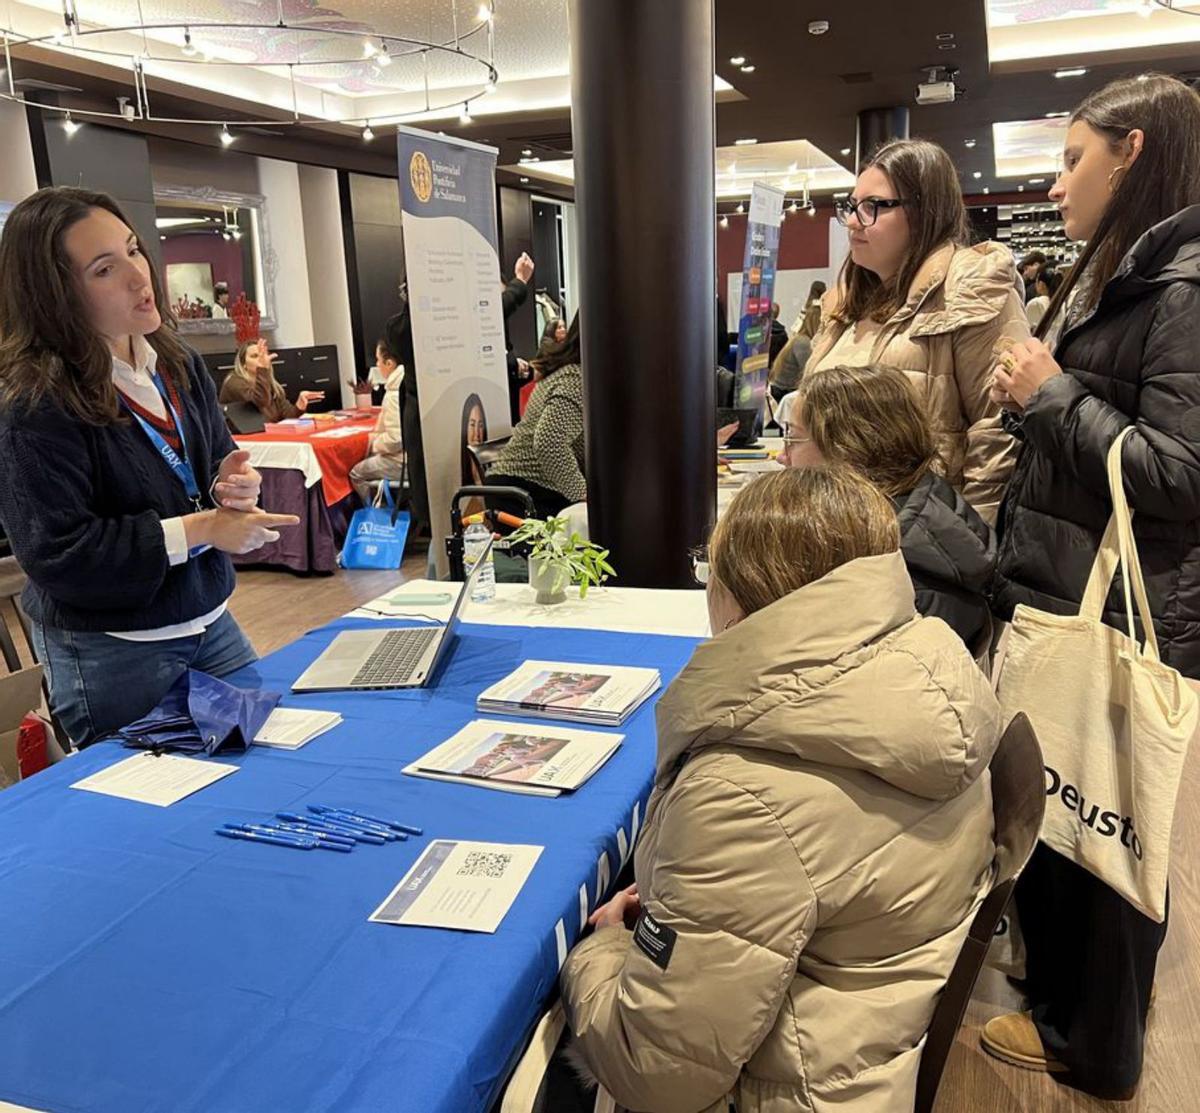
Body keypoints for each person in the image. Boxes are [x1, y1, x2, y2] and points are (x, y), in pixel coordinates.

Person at [559, 466, 1000, 1113]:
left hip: (791, 1088)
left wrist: (600, 948)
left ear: (734, 592)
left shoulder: (742, 792)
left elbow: (657, 1070)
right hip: (864, 1057)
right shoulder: (934, 669)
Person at [986, 73, 1200, 1101]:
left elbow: (1181, 478)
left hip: (1122, 615)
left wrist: (1054, 394)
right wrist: (1034, 406)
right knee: (1067, 820)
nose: (1058, 182)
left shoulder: (1182, 289)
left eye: (1075, 159)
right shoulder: (1128, 276)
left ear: (1133, 153)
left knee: (1109, 829)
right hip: (1073, 595)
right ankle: (1065, 1011)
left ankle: (1098, 1050)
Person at [0, 187, 299, 747]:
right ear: (53, 293)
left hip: (209, 618)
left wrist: (227, 485)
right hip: (113, 649)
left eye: (134, 251)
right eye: (105, 269)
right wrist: (205, 527)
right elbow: (59, 553)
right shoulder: (33, 402)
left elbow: (206, 458)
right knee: (154, 814)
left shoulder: (173, 359)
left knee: (265, 763)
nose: (141, 278)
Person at [805, 138, 1030, 523]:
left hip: (925, 541)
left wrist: (973, 546)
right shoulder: (843, 306)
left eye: (873, 206)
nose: (854, 221)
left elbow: (999, 435)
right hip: (836, 529)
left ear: (924, 211)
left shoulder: (973, 290)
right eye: (852, 206)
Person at [783, 364, 995, 649]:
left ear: (847, 449)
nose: (783, 458)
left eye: (793, 439)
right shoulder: (919, 518)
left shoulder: (894, 575)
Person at [395, 252, 534, 535]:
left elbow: (491, 313)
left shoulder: (455, 320)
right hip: (430, 434)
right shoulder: (404, 328)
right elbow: (493, 311)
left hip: (451, 423)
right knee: (443, 521)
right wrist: (520, 282)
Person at [486, 314, 583, 519]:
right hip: (524, 495)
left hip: (527, 490)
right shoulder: (576, 378)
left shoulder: (571, 372)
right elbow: (549, 443)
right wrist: (583, 495)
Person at [349, 335, 405, 502]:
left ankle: (374, 513)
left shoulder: (394, 395)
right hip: (411, 459)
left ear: (389, 363)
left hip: (400, 461)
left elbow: (396, 439)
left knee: (356, 473)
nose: (377, 365)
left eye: (379, 360)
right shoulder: (408, 385)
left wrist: (376, 444)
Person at [219, 337, 324, 422]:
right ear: (243, 364)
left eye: (263, 355)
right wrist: (262, 369)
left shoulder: (270, 383)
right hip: (244, 441)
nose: (261, 359)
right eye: (254, 356)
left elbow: (288, 416)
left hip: (268, 436)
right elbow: (260, 401)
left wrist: (299, 406)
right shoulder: (234, 382)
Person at [769, 301, 821, 402]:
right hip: (784, 391)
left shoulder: (800, 338)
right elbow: (808, 371)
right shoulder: (803, 342)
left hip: (782, 388)